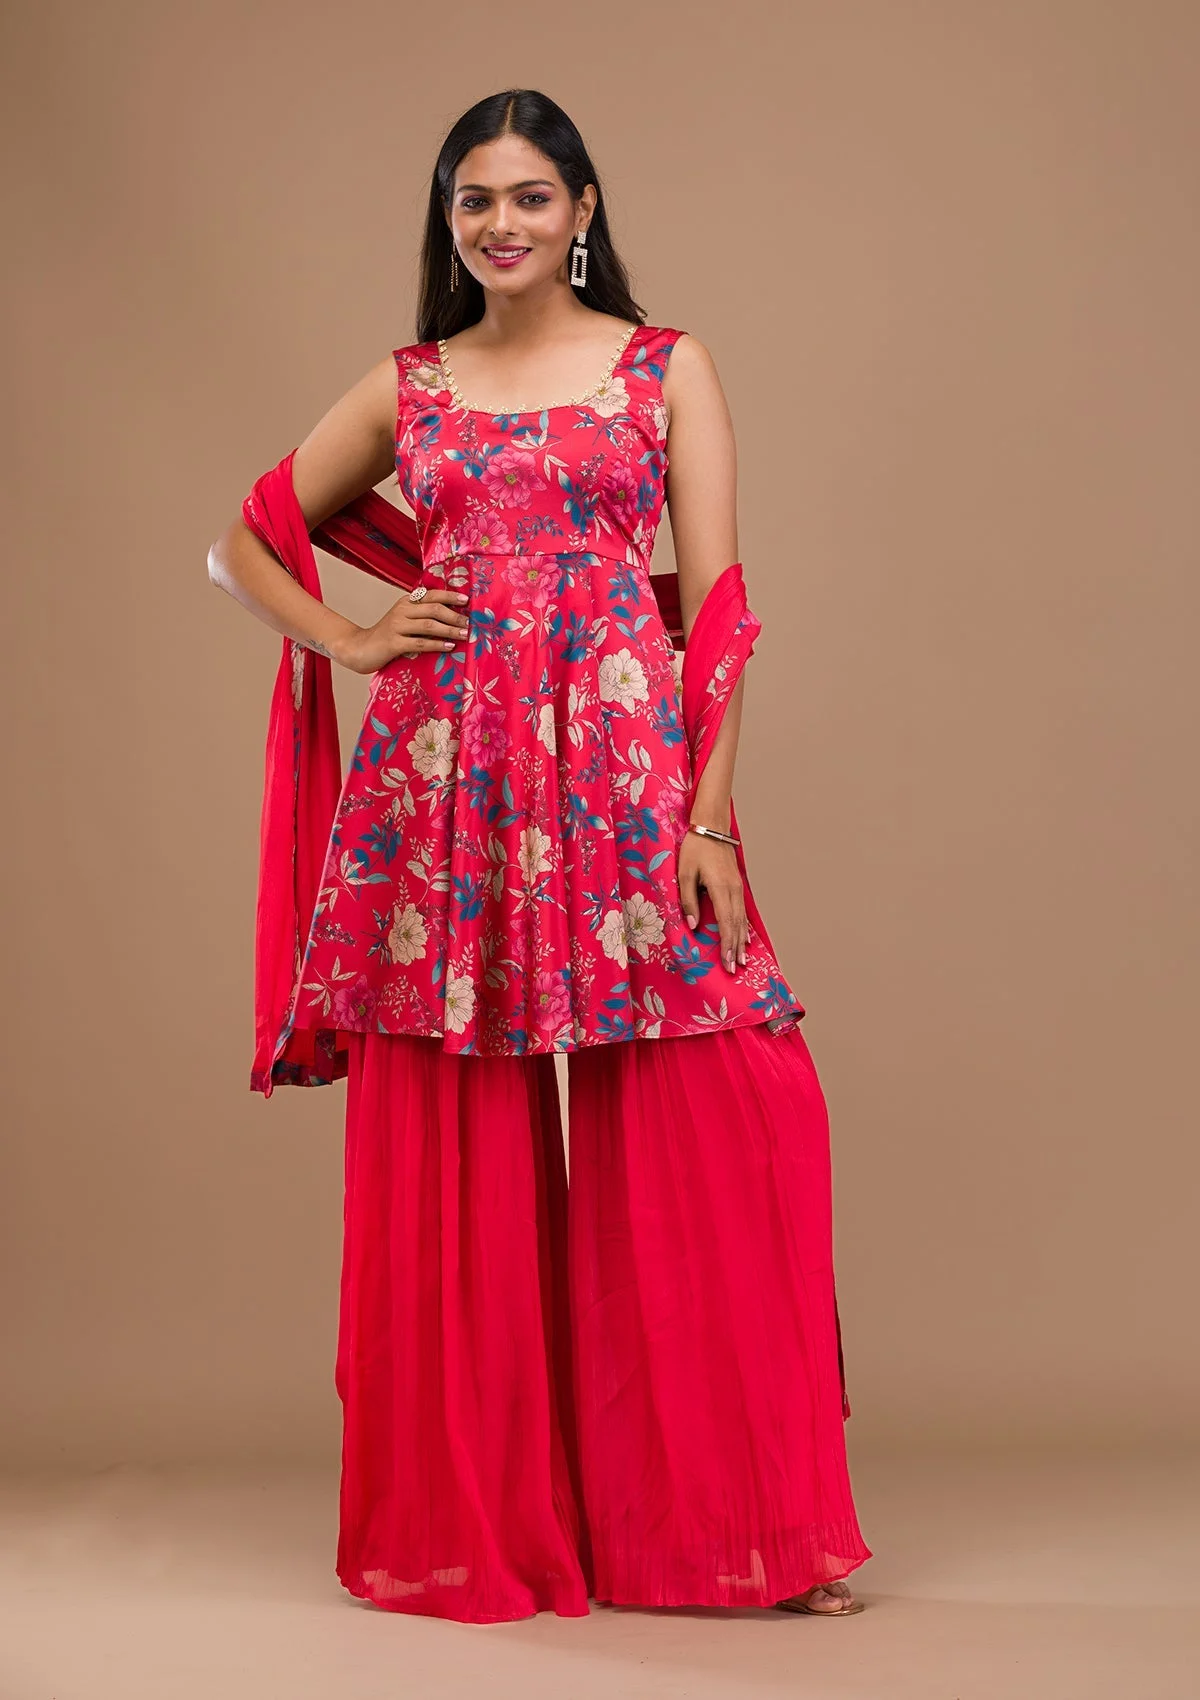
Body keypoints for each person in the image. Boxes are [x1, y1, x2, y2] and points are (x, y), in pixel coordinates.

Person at [208, 87, 872, 1625]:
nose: (500, 223)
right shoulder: (414, 384)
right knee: (455, 1141)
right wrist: (353, 638)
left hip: (630, 783)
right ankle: (480, 1525)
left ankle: (735, 1528)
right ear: (448, 221)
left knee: (736, 1108)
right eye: (473, 200)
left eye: (528, 196)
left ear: (582, 209)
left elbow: (717, 608)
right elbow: (242, 540)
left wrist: (709, 819)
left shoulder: (664, 366)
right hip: (449, 789)